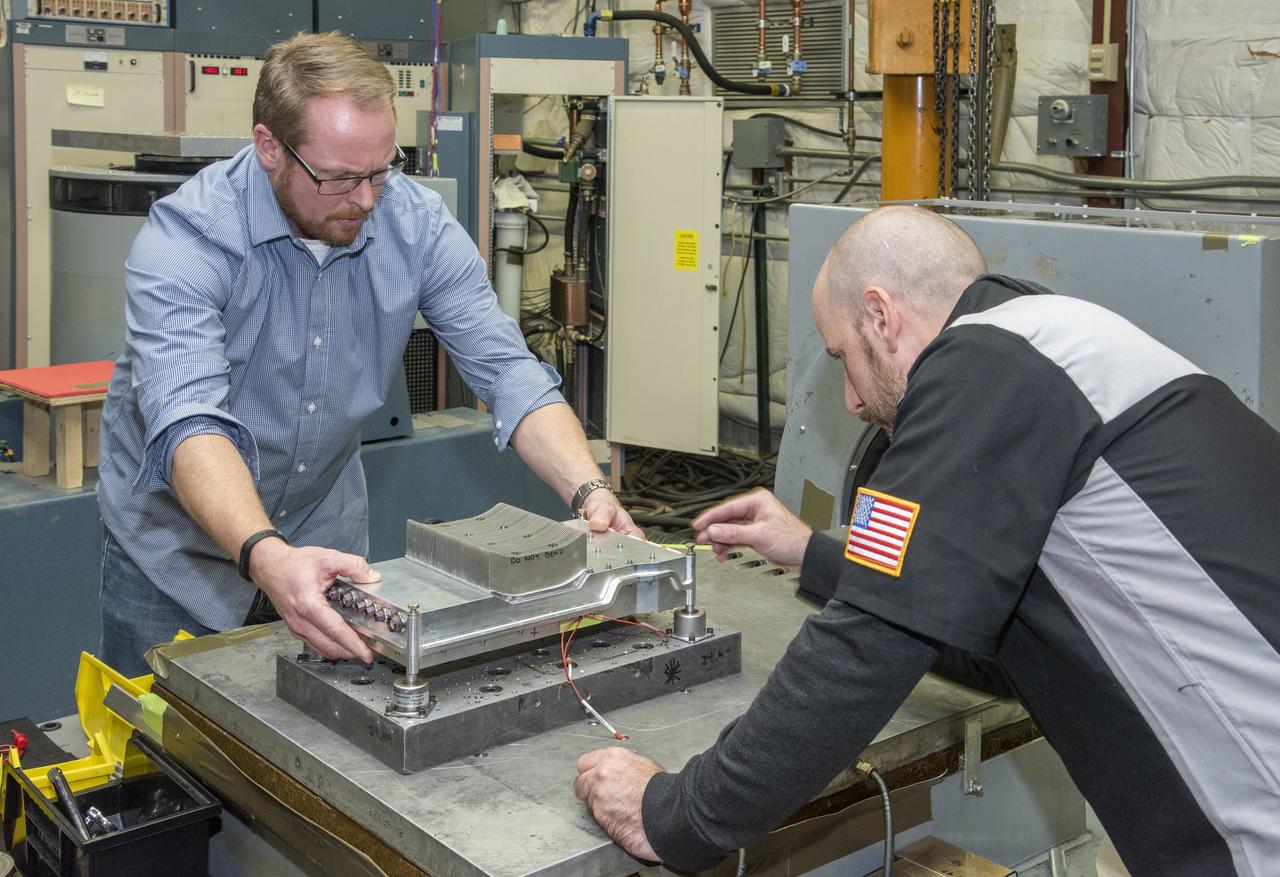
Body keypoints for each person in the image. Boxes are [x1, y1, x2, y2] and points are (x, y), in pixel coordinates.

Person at [574, 206, 1280, 876]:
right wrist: (815, 554)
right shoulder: (1046, 342)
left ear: (880, 315)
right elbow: (979, 634)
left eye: (842, 355)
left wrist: (675, 814)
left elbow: (861, 651)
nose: (851, 400)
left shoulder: (983, 367)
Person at [97, 32, 639, 678]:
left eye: (382, 169)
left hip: (325, 548)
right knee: (165, 735)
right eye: (340, 178)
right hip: (177, 563)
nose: (366, 199)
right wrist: (268, 555)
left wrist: (589, 489)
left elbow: (507, 370)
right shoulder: (190, 238)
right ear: (270, 147)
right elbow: (190, 424)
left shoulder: (415, 223)